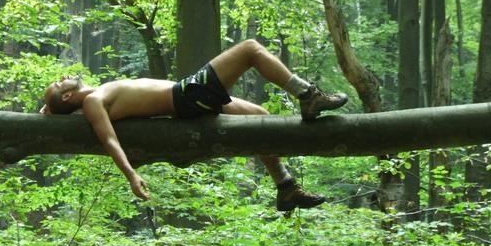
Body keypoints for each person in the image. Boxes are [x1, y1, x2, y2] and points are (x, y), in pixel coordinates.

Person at [40, 40, 348, 211]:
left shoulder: (93, 95)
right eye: (58, 83)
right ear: (67, 96)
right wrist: (131, 176)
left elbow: (57, 108)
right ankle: (308, 95)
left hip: (188, 100)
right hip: (187, 95)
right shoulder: (94, 103)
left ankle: (285, 187)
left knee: (260, 116)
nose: (62, 76)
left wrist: (50, 109)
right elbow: (109, 140)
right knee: (250, 50)